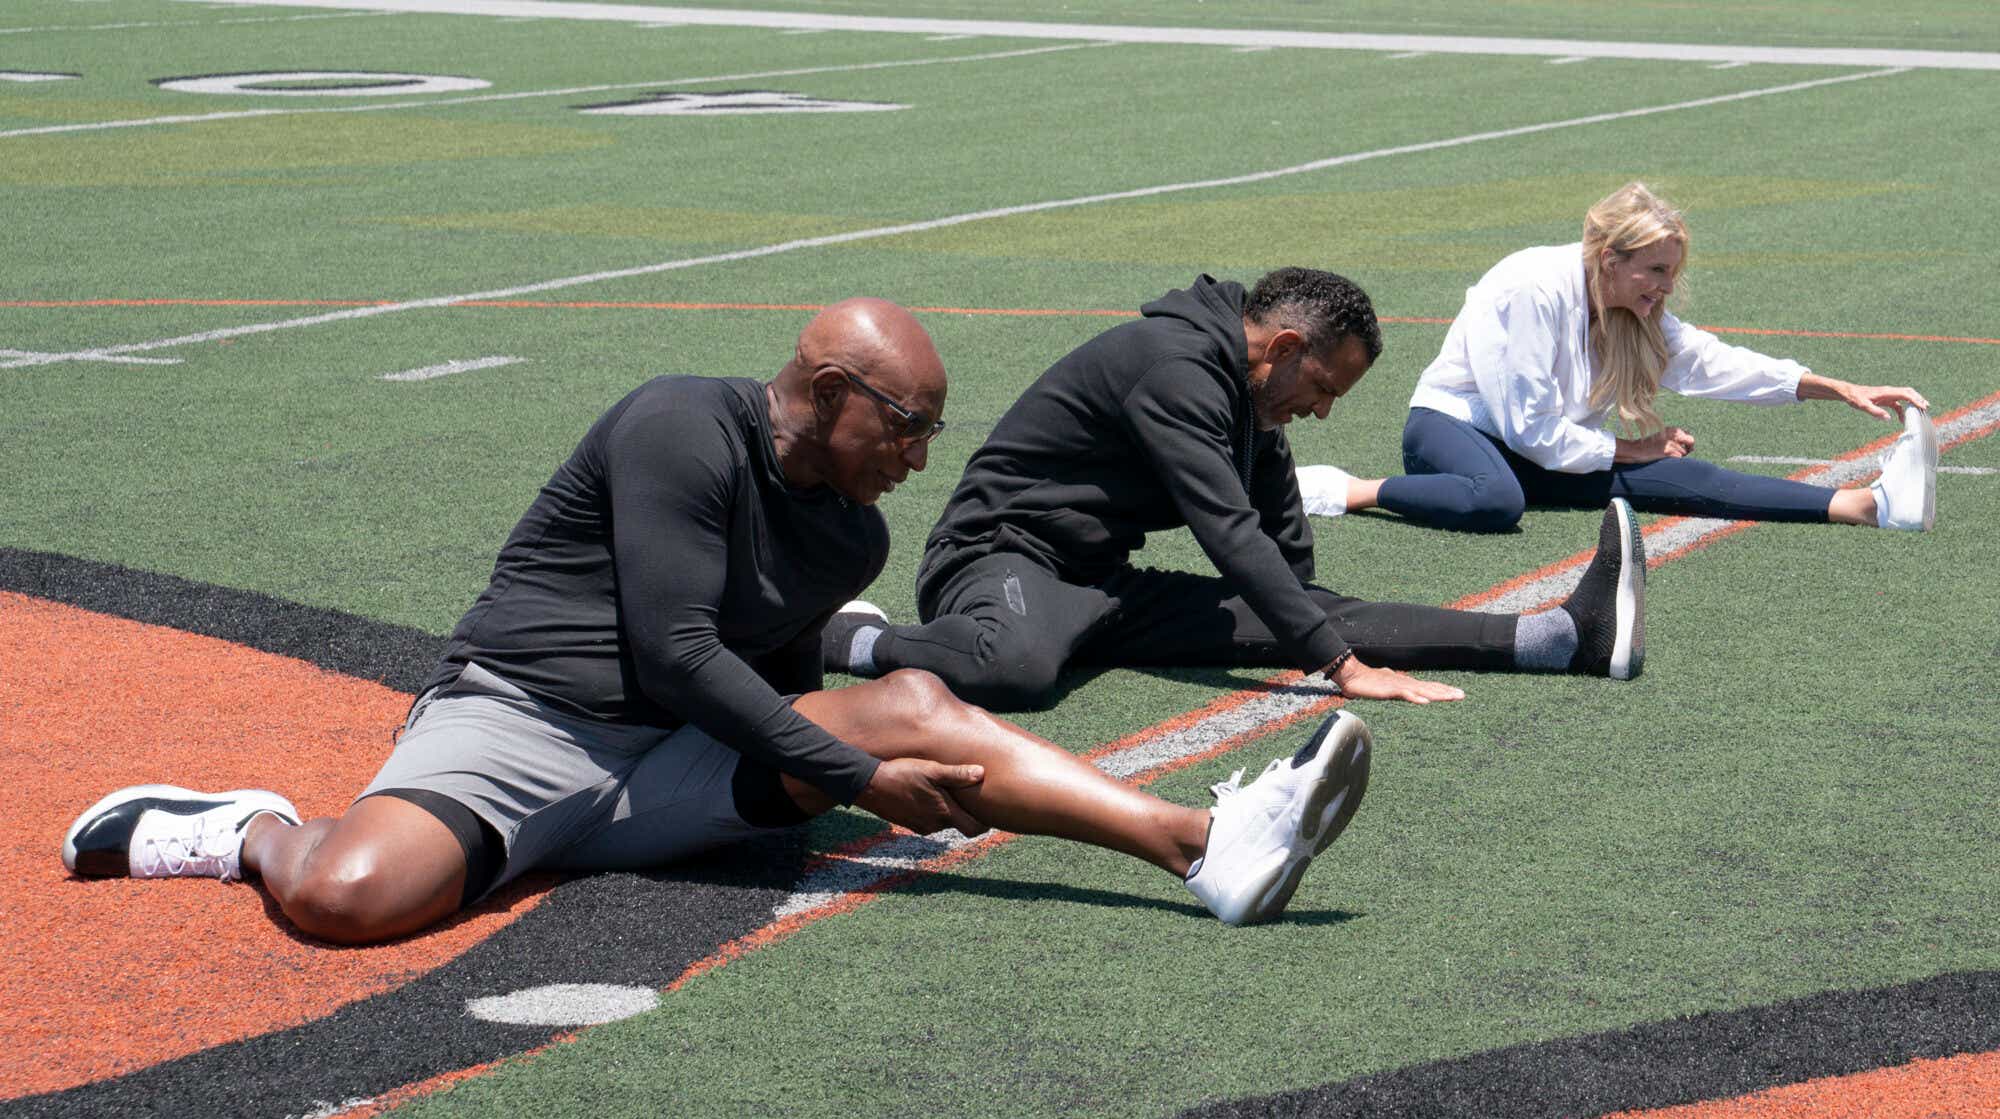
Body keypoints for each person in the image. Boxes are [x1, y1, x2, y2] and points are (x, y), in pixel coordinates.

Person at [61, 300, 1375, 936]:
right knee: (350, 900)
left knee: (924, 699)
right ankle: (241, 827)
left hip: (667, 771)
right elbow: (678, 651)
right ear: (824, 387)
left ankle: (1205, 842)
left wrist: (859, 746)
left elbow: (774, 674)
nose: (918, 457)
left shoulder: (852, 527)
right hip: (524, 725)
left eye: (931, 431)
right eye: (902, 425)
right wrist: (855, 775)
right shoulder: (679, 421)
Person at [823, 267, 1648, 711]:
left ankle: (1557, 637)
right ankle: (855, 640)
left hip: (1099, 584)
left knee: (1311, 606)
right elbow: (1226, 528)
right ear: (1284, 346)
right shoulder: (1176, 370)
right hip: (995, 560)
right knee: (1016, 673)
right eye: (1322, 388)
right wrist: (1337, 663)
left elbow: (1279, 533)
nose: (1321, 412)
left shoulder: (1248, 388)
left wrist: (1310, 616)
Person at [1296, 182, 1937, 533]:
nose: (1664, 286)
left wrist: (1838, 386)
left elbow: (1714, 364)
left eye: (1671, 272)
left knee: (1681, 480)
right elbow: (1527, 427)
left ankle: (1868, 505)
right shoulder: (1532, 287)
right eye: (1655, 270)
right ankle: (1347, 489)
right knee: (1494, 501)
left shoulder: (1637, 311)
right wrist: (1632, 448)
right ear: (1611, 259)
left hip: (1545, 446)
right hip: (1452, 429)